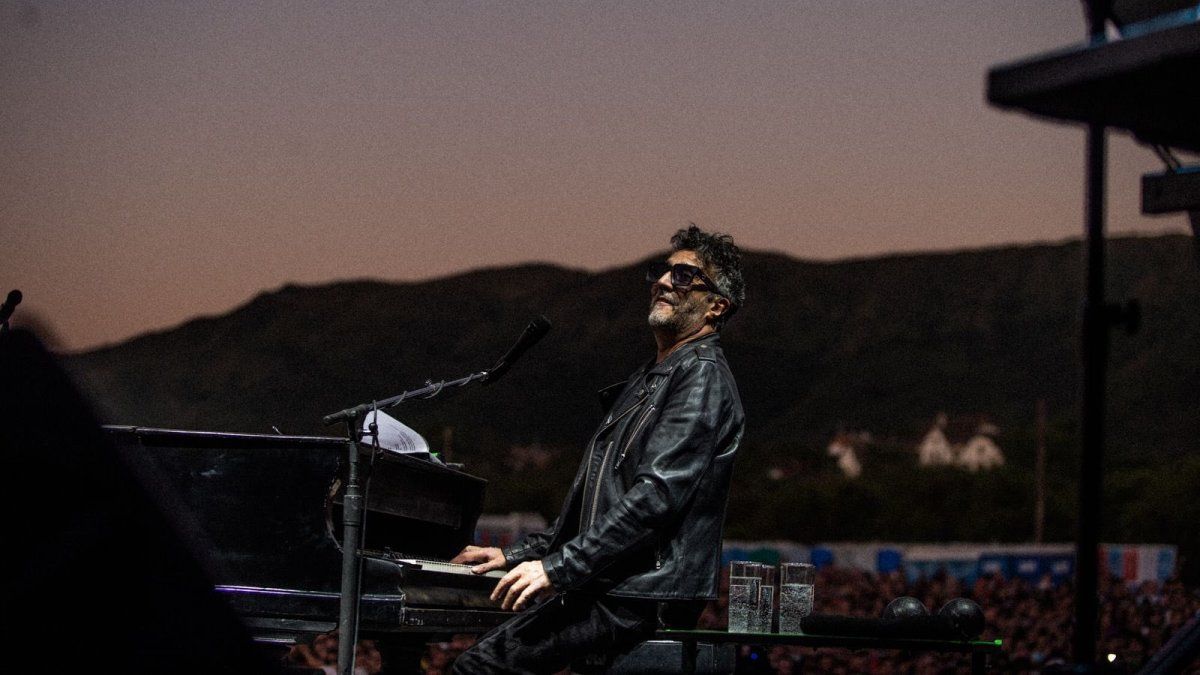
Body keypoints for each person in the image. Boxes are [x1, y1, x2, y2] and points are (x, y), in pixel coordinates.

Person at [450, 225, 746, 673]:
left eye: (684, 277)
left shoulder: (700, 376)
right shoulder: (649, 379)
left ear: (716, 307)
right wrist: (519, 554)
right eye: (663, 272)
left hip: (641, 594)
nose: (663, 282)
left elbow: (656, 497)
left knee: (478, 667)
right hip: (612, 583)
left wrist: (558, 569)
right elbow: (595, 506)